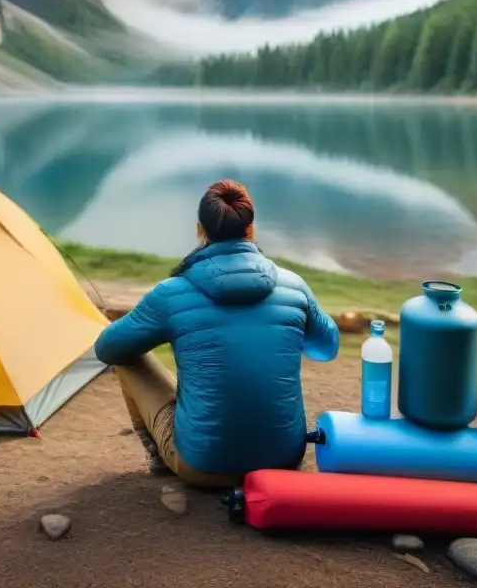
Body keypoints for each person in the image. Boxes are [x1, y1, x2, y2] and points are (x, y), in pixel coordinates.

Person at [94, 179, 340, 488]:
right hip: (284, 463)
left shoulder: (172, 293)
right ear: (251, 230)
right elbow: (326, 348)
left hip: (204, 467)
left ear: (200, 230)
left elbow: (106, 349)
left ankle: (160, 458)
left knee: (127, 357)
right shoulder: (293, 285)